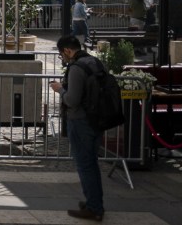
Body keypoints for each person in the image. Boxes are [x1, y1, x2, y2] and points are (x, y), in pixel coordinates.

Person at [49, 34, 106, 222]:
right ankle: (94, 201)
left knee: (85, 165)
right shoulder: (94, 62)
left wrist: (60, 89)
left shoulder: (76, 68)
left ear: (67, 50)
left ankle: (94, 208)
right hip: (97, 119)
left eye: (61, 54)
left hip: (81, 121)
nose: (62, 58)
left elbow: (72, 100)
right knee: (92, 163)